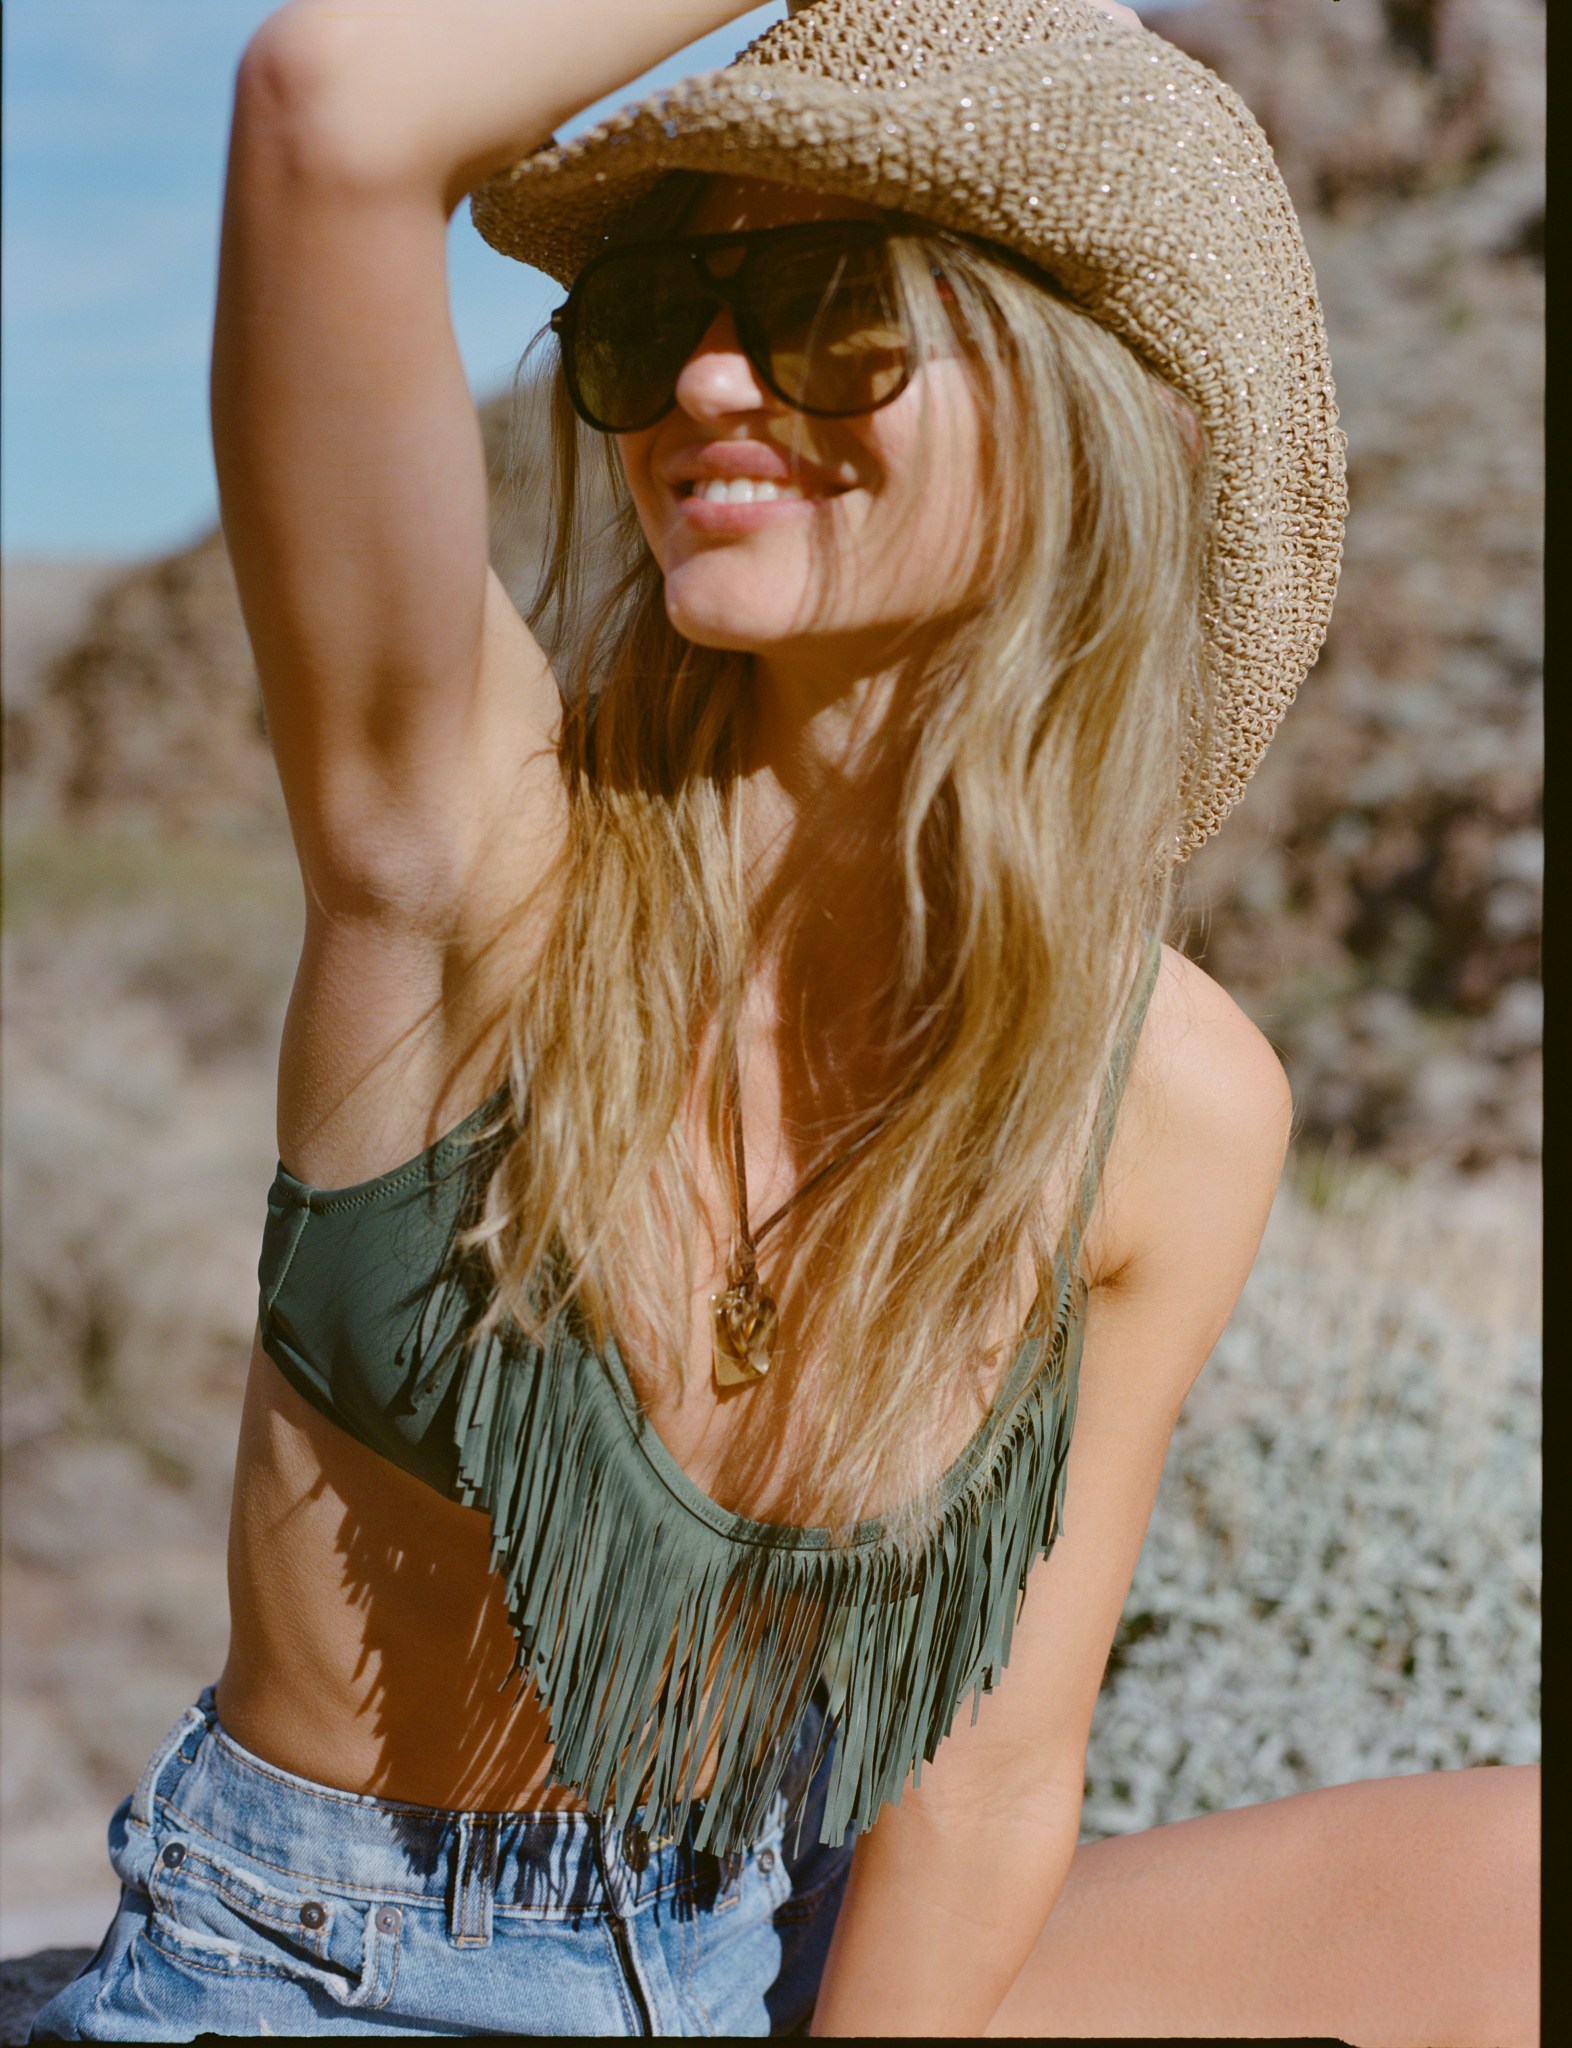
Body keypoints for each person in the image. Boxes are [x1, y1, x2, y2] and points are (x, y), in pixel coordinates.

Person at [32, 0, 1537, 2039]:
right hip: (309, 1972)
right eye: (660, 312)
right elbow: (331, 112)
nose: (712, 384)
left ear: (1093, 407)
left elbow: (990, 1772)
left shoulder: (1164, 1096)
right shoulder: (470, 853)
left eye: (831, 308)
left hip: (764, 1940)